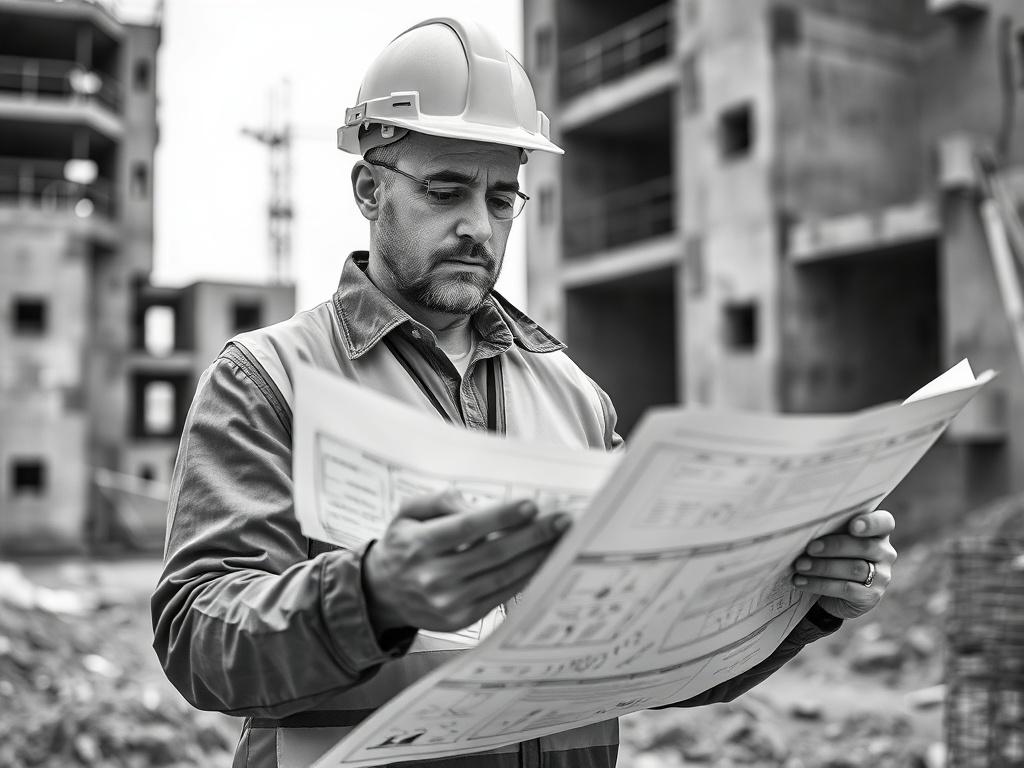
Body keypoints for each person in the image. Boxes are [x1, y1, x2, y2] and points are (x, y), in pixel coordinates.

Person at [151, 17, 898, 768]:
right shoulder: (267, 379)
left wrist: (806, 601)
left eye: (502, 199)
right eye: (445, 191)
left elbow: (653, 658)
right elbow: (198, 639)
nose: (477, 225)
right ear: (369, 190)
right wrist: (372, 597)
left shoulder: (575, 399)